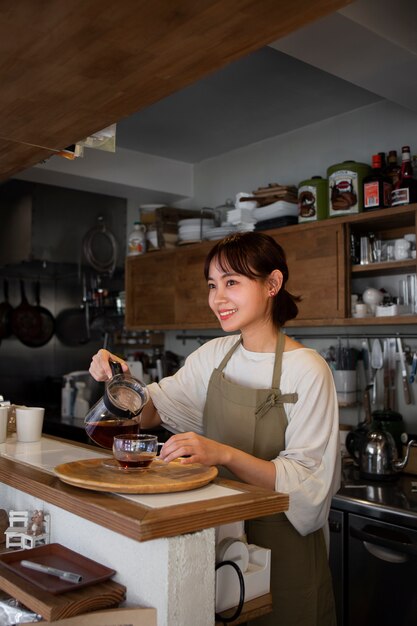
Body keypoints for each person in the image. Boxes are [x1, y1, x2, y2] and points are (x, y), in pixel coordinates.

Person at [89, 231, 340, 626]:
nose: (217, 298)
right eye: (212, 284)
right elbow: (150, 411)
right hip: (220, 541)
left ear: (272, 284)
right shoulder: (215, 356)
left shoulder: (308, 369)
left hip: (284, 549)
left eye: (232, 282)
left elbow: (308, 483)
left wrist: (221, 453)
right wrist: (120, 379)